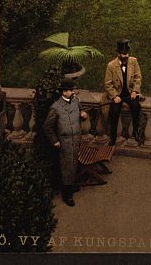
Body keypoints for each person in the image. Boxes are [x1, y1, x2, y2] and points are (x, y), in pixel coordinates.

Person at [43, 78, 88, 206]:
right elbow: (47, 127)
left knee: (73, 164)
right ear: (64, 92)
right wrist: (55, 141)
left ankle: (71, 186)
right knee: (66, 167)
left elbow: (81, 113)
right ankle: (67, 195)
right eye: (70, 90)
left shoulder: (76, 102)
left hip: (76, 139)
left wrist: (83, 116)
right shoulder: (56, 108)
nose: (73, 92)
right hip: (64, 141)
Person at [104, 38, 144, 146]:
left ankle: (136, 132)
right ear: (118, 54)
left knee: (136, 107)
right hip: (118, 94)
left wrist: (135, 91)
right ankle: (112, 137)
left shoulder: (133, 61)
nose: (126, 56)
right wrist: (114, 96)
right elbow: (108, 84)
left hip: (130, 93)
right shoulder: (111, 65)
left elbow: (138, 77)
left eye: (127, 53)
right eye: (123, 54)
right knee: (114, 111)